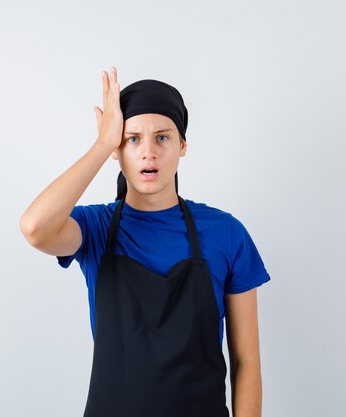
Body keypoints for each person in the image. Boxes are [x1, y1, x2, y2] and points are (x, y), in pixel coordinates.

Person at [20, 66, 271, 417]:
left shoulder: (226, 233)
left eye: (163, 137)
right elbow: (35, 227)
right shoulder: (95, 229)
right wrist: (103, 144)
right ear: (117, 149)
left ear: (182, 145)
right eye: (132, 138)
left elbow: (246, 361)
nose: (148, 152)